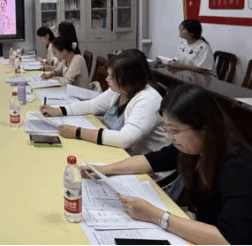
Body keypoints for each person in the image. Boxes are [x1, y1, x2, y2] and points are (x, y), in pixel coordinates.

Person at [80, 84, 252, 246]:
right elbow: (152, 160)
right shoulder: (193, 147)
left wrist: (157, 216)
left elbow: (229, 239)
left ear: (204, 127)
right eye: (168, 129)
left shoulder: (238, 167)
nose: (171, 136)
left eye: (175, 130)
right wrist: (104, 170)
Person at [40, 50, 170, 155]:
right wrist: (58, 111)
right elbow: (92, 105)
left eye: (111, 77)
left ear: (128, 79)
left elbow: (125, 139)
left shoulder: (148, 99)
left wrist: (77, 132)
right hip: (119, 151)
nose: (107, 79)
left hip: (147, 165)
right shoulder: (120, 89)